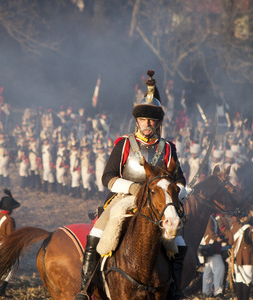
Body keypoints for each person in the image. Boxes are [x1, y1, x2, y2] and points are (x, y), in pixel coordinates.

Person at [75, 70, 187, 300]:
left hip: (158, 200)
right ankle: (86, 288)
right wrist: (133, 188)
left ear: (157, 122)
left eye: (152, 120)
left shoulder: (168, 148)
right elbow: (107, 177)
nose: (148, 124)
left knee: (179, 242)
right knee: (97, 232)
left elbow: (180, 179)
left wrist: (175, 194)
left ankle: (174, 288)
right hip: (125, 198)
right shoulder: (124, 145)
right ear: (137, 120)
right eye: (144, 119)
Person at [0, 189, 20, 297]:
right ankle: (1, 291)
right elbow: (11, 237)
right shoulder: (9, 220)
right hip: (5, 247)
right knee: (9, 269)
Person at [230, 208, 253, 300]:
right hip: (248, 257)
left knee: (239, 280)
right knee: (247, 281)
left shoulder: (234, 227)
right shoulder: (250, 229)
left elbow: (231, 241)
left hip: (237, 258)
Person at [199, 213, 233, 298]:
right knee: (220, 268)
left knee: (208, 271)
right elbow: (209, 232)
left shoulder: (210, 217)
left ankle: (205, 292)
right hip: (212, 247)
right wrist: (217, 238)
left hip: (209, 247)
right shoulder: (209, 218)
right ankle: (218, 292)